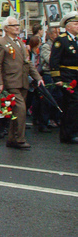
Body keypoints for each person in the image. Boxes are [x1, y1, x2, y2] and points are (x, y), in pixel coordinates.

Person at [0, 16, 42, 150]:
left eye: (17, 25)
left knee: (16, 111)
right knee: (21, 110)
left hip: (22, 81)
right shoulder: (1, 43)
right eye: (14, 25)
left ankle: (12, 138)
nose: (17, 27)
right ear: (6, 28)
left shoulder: (20, 43)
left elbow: (28, 63)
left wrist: (37, 77)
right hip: (10, 81)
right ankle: (19, 139)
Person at [49, 11, 78, 144]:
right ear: (68, 26)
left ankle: (73, 131)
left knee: (75, 106)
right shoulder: (62, 40)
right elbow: (54, 61)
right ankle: (68, 134)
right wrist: (57, 79)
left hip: (76, 77)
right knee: (71, 105)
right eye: (76, 24)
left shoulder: (76, 40)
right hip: (67, 77)